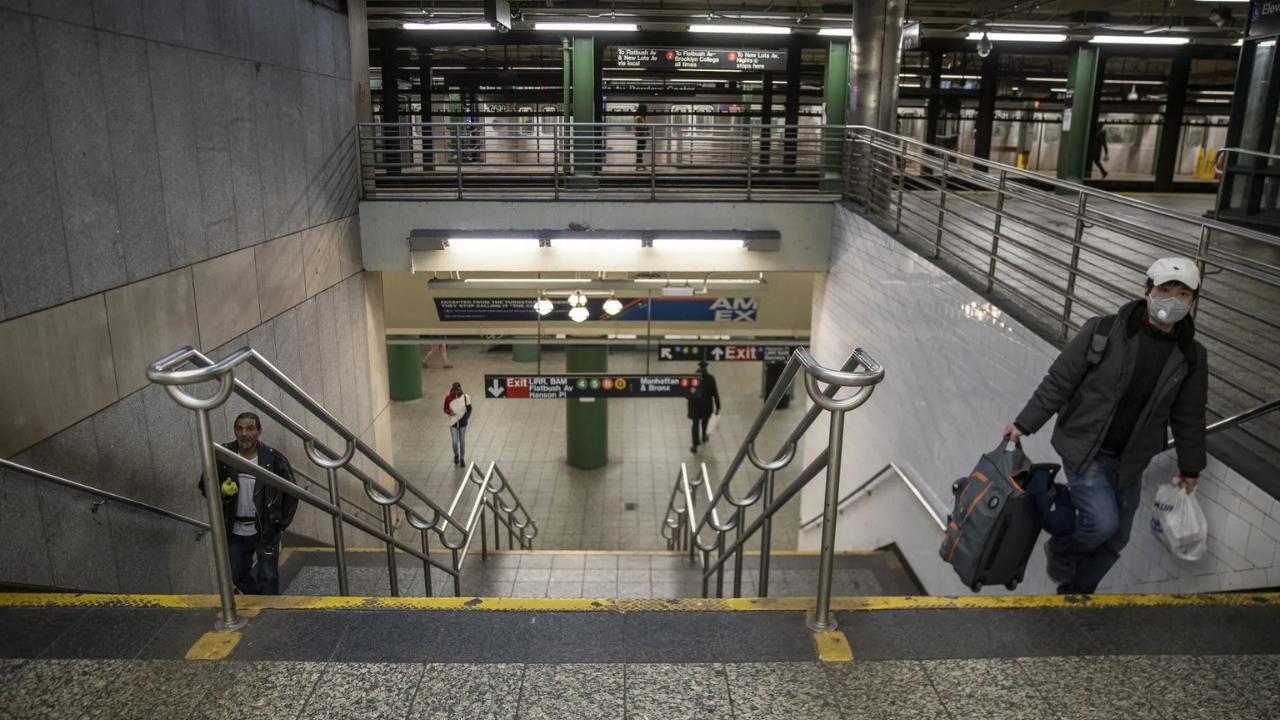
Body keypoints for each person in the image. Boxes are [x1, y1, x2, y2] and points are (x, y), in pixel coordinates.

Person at [1004, 257, 1208, 595]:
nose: (1173, 297)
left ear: (1192, 302)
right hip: (1086, 446)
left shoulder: (1192, 356)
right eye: (1165, 288)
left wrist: (1191, 466)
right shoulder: (1105, 330)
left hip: (1131, 460)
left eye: (1183, 293)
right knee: (1102, 523)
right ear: (1147, 291)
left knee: (1116, 538)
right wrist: (1024, 423)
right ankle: (1059, 550)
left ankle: (1077, 593)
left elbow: (1189, 414)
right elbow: (1060, 381)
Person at [197, 412, 299, 595]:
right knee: (237, 575)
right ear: (235, 431)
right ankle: (256, 599)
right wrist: (220, 489)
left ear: (259, 431)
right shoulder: (223, 455)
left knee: (269, 576)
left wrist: (280, 524)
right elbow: (204, 485)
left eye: (250, 428)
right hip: (234, 531)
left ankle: (268, 612)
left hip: (266, 531)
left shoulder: (274, 459)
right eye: (239, 428)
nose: (244, 433)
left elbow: (292, 492)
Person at [687, 360, 722, 453]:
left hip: (695, 406)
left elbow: (687, 393)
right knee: (705, 422)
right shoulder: (710, 378)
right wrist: (718, 406)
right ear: (706, 368)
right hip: (706, 406)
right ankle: (704, 436)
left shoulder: (692, 378)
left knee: (695, 424)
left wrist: (690, 399)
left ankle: (695, 445)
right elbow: (715, 393)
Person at [444, 381, 472, 467]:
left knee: (462, 441)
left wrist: (466, 418)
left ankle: (462, 458)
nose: (456, 391)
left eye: (457, 390)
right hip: (453, 423)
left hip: (462, 423)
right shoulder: (448, 398)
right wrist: (449, 412)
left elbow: (469, 408)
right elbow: (445, 408)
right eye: (455, 389)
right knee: (455, 442)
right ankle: (456, 454)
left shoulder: (465, 397)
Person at [634, 104, 651, 168]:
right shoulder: (638, 117)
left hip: (643, 136)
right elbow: (639, 127)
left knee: (641, 150)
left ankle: (640, 163)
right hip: (641, 136)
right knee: (640, 150)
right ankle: (639, 164)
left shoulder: (641, 117)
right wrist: (646, 128)